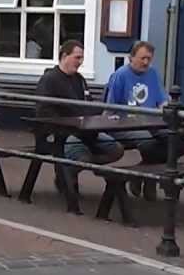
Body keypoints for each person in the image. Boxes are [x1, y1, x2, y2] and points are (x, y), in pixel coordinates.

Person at [103, 40, 184, 198]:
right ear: (131, 58)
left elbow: (162, 100)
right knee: (149, 143)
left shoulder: (153, 73)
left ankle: (142, 173)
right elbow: (111, 107)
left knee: (179, 142)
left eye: (149, 59)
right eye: (142, 58)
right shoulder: (120, 75)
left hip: (152, 122)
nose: (146, 62)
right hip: (126, 124)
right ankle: (149, 178)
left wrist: (169, 110)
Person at [35, 40, 124, 196]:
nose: (80, 62)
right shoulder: (49, 79)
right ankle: (68, 174)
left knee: (116, 149)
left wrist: (102, 116)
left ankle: (75, 169)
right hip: (60, 133)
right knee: (79, 154)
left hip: (85, 130)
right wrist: (67, 124)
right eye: (77, 57)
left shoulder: (79, 79)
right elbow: (43, 111)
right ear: (64, 56)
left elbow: (87, 103)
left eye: (82, 58)